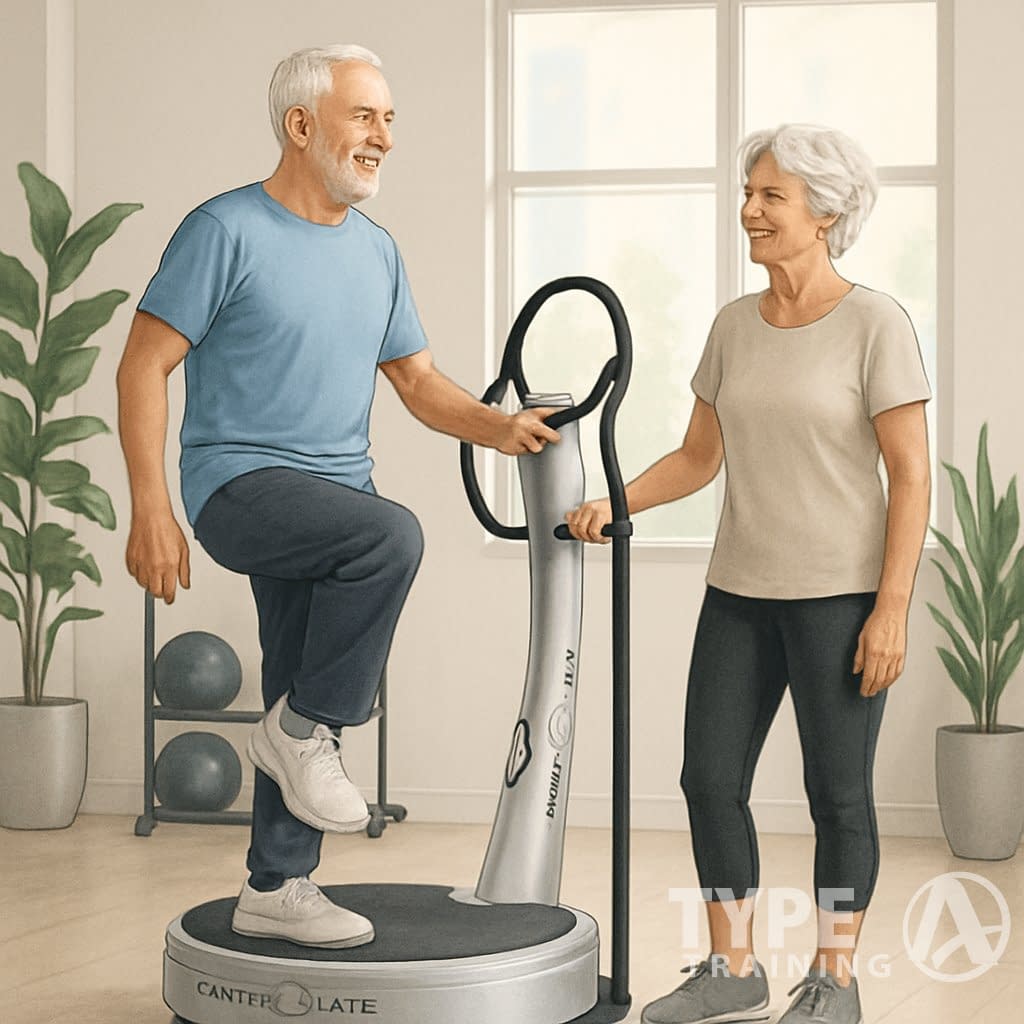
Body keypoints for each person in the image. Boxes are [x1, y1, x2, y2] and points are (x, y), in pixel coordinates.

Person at [116, 43, 559, 950]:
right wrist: (152, 506)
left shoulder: (377, 254)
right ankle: (305, 730)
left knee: (294, 672)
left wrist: (498, 427)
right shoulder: (224, 230)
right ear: (302, 125)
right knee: (388, 539)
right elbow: (143, 364)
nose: (384, 138)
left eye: (390, 120)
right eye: (367, 117)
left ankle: (276, 886)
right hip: (238, 485)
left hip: (328, 500)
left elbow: (418, 381)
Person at [565, 124, 932, 1024]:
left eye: (771, 196)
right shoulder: (735, 325)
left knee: (836, 795)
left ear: (827, 211)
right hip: (739, 593)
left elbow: (912, 474)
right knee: (707, 778)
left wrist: (891, 609)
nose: (750, 210)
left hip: (840, 600)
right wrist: (620, 501)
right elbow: (700, 457)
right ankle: (734, 969)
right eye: (749, 192)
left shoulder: (875, 323)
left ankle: (835, 982)